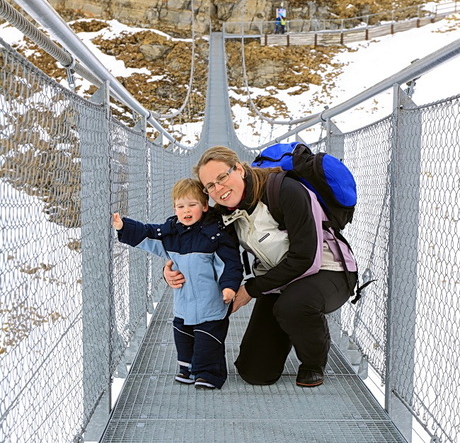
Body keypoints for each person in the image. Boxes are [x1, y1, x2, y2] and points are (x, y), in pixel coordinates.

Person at [164, 147, 358, 389]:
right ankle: (293, 324)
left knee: (295, 306)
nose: (219, 189)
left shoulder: (285, 191)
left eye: (222, 177)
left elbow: (305, 258)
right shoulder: (223, 210)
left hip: (328, 272)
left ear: (240, 169)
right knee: (255, 371)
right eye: (210, 186)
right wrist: (169, 270)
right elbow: (189, 238)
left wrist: (249, 290)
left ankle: (313, 361)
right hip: (278, 281)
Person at [113, 177, 243, 390]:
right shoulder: (172, 233)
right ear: (174, 209)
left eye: (192, 205)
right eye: (180, 206)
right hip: (183, 302)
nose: (186, 210)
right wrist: (124, 226)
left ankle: (209, 374)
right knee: (183, 336)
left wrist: (229, 287)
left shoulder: (215, 235)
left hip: (211, 302)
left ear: (204, 206)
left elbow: (230, 262)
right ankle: (187, 368)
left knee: (208, 339)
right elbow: (148, 234)